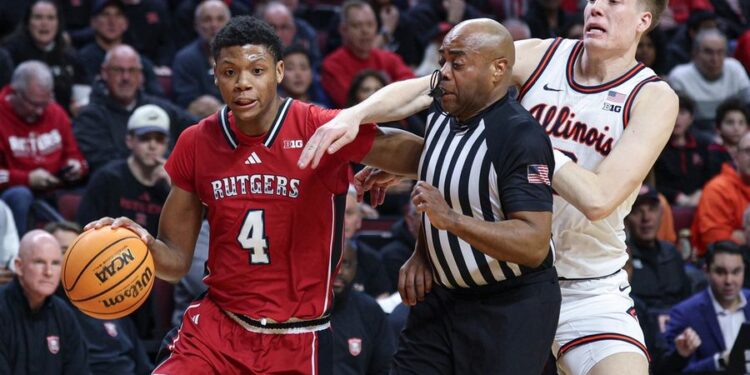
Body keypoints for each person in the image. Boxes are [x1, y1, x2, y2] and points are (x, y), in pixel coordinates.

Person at [299, 0, 679, 373]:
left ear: (644, 19)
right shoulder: (541, 55)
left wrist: (526, 147)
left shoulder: (652, 97)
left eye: (613, 2)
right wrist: (352, 116)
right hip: (497, 277)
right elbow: (424, 90)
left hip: (587, 286)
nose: (596, 7)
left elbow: (598, 200)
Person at [86, 16, 422, 374]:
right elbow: (176, 260)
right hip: (217, 330)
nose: (242, 83)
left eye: (256, 70)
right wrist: (143, 246)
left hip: (297, 336)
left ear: (279, 71)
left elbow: (423, 156)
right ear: (214, 75)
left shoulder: (318, 127)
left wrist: (401, 167)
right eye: (229, 72)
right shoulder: (196, 142)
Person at [323, 18, 562, 374]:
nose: (444, 73)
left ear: (498, 70)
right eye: (443, 61)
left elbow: (533, 242)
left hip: (509, 305)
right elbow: (445, 182)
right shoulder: (443, 109)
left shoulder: (520, 137)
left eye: (458, 63)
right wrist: (424, 251)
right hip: (442, 297)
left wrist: (448, 219)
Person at [43, 221, 154, 375]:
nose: (72, 260)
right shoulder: (47, 312)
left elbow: (144, 366)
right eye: (63, 252)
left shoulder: (113, 299)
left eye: (76, 252)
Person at [74, 45, 196, 173]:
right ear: (104, 73)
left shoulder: (160, 107)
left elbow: (199, 129)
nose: (126, 77)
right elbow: (103, 164)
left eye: (132, 70)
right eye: (118, 70)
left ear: (141, 76)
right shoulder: (90, 116)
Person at [0, 61, 88, 236]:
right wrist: (27, 179)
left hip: (55, 188)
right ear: (15, 93)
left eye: (44, 103)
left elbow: (77, 157)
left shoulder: (55, 112)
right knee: (21, 195)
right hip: (12, 193)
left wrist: (75, 167)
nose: (40, 111)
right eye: (34, 104)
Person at [0, 230, 90, 374]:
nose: (48, 272)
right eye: (39, 262)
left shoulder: (64, 314)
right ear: (18, 266)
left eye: (55, 263)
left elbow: (79, 370)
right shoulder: (3, 309)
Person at [77, 104, 171, 236]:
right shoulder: (107, 179)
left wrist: (176, 190)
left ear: (167, 145)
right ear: (129, 140)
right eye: (145, 138)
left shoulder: (170, 185)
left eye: (159, 139)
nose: (152, 145)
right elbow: (84, 228)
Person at [663, 241, 750, 372]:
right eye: (720, 272)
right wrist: (720, 361)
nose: (729, 280)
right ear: (706, 271)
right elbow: (676, 371)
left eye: (736, 272)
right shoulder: (684, 314)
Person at [321, 0, 414, 108]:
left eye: (370, 25)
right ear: (343, 30)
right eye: (357, 25)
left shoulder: (389, 58)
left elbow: (412, 87)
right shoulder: (332, 65)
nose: (365, 31)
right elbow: (352, 103)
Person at [2, 0, 88, 115]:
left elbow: (83, 98)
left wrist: (80, 106)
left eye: (51, 18)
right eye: (38, 17)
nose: (44, 23)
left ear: (59, 23)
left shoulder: (70, 56)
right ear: (28, 22)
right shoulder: (10, 53)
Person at [668, 28, 750, 135]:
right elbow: (680, 120)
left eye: (720, 52)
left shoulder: (735, 69)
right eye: (708, 52)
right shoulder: (679, 77)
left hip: (735, 131)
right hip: (696, 134)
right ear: (695, 53)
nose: (715, 59)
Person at [625, 184, 692, 314]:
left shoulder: (672, 253)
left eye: (652, 209)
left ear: (661, 214)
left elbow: (687, 301)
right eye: (638, 211)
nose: (646, 218)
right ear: (626, 218)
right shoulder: (623, 259)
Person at [332, 240, 395, 375]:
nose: (340, 271)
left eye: (346, 263)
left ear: (356, 268)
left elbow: (385, 368)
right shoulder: (301, 310)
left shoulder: (370, 311)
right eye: (333, 263)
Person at [692, 132, 750, 257]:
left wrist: (742, 236)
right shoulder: (717, 189)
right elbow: (716, 242)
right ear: (735, 157)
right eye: (748, 151)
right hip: (725, 267)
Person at [171, 0, 228, 113]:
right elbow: (187, 104)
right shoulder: (185, 59)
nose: (214, 25)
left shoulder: (242, 56)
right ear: (196, 25)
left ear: (229, 24)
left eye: (220, 19)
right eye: (207, 19)